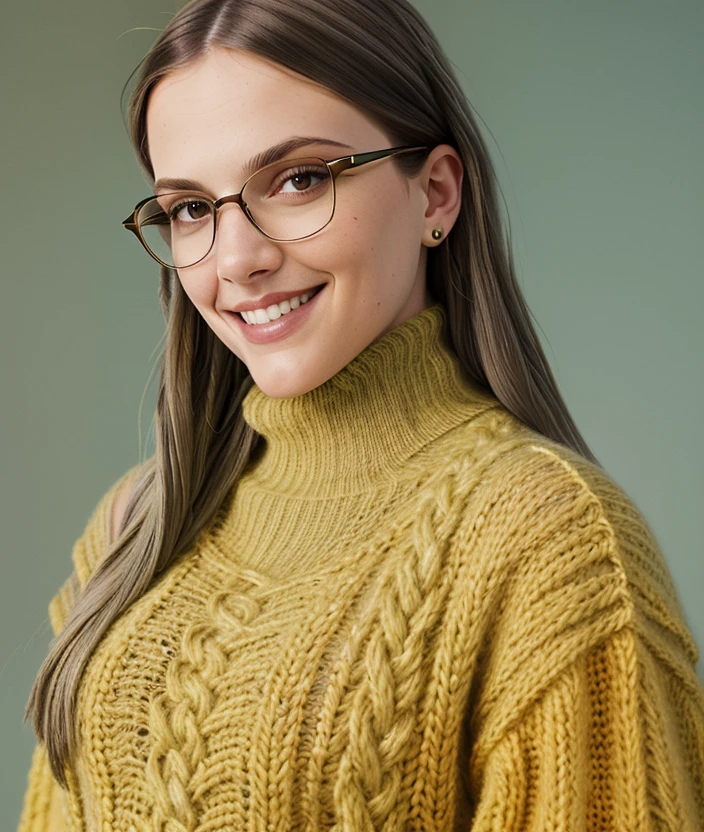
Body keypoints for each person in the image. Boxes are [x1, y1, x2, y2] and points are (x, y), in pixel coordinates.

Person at [18, 0, 704, 829]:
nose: (238, 260)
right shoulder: (135, 527)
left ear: (436, 194)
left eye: (299, 179)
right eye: (192, 209)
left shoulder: (549, 543)